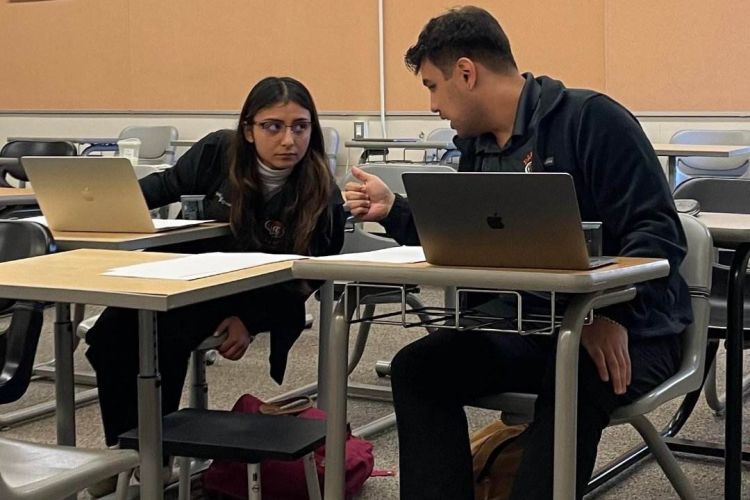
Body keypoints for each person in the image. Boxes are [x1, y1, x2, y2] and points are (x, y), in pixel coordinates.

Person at [344, 6, 691, 500]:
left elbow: (656, 234)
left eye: (431, 86)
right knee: (419, 369)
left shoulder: (593, 121)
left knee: (571, 373)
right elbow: (471, 238)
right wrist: (394, 211)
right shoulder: (477, 149)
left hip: (631, 329)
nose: (431, 107)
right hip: (531, 325)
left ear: (466, 73)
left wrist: (604, 313)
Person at [85, 76, 346, 489]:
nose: (288, 140)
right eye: (273, 126)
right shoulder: (217, 152)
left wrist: (249, 319)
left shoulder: (322, 193)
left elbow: (309, 278)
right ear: (248, 129)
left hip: (258, 296)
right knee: (108, 336)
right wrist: (100, 206)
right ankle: (126, 450)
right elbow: (163, 186)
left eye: (300, 126)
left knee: (161, 334)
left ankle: (155, 454)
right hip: (190, 276)